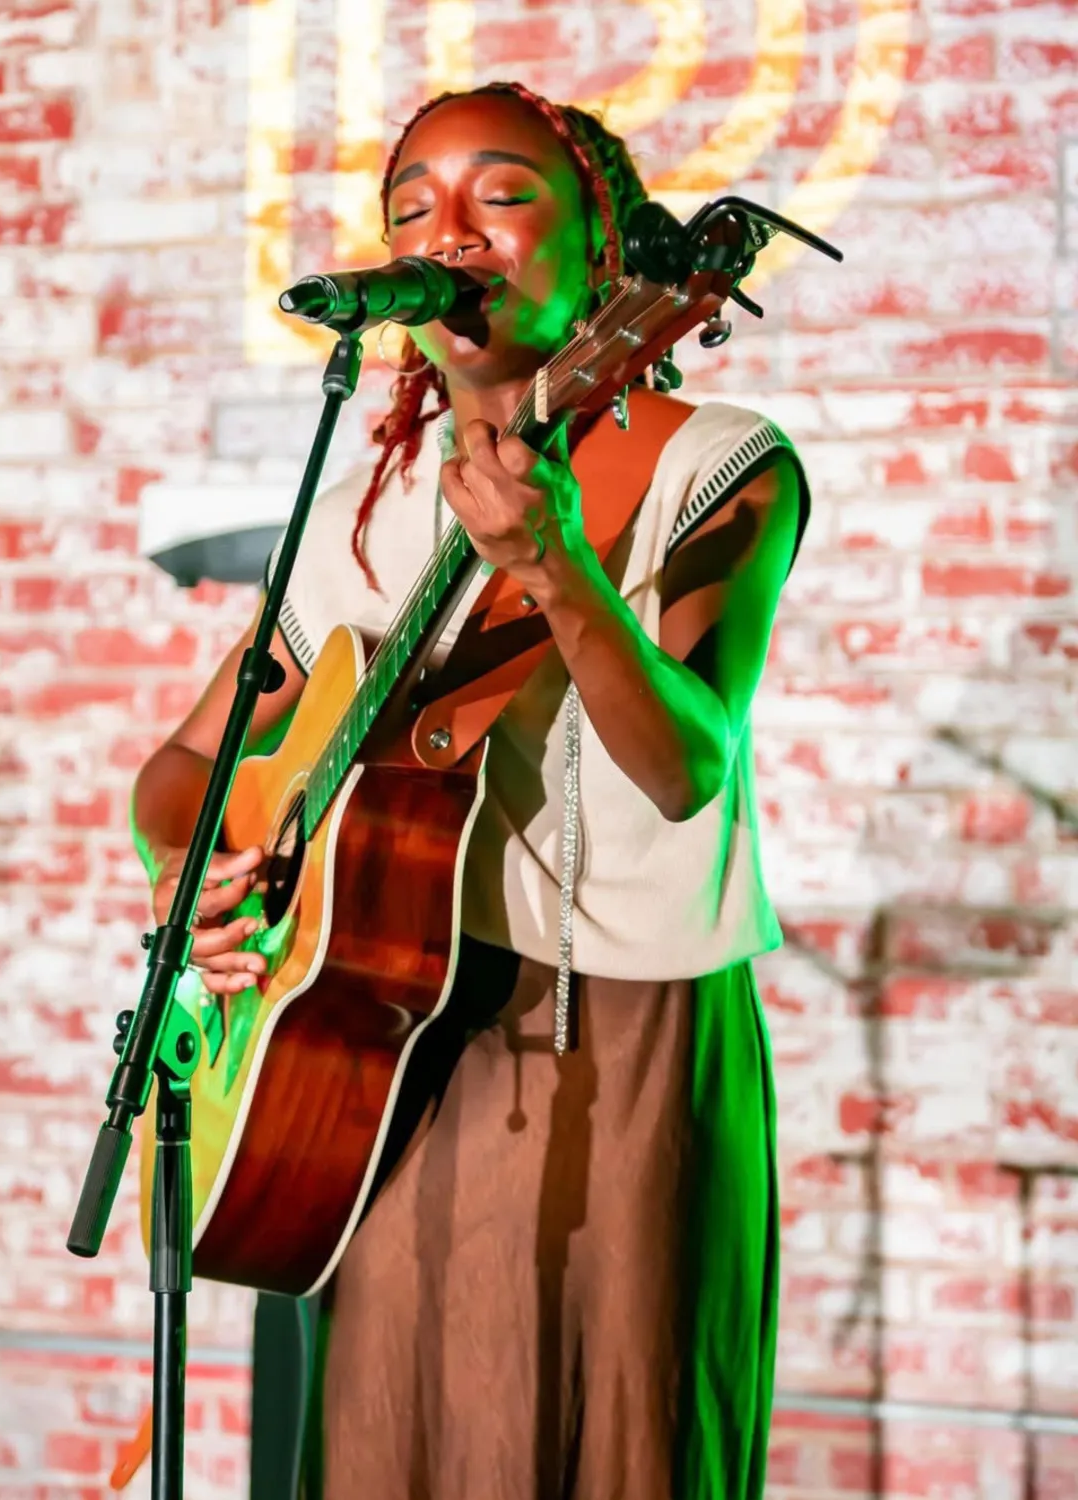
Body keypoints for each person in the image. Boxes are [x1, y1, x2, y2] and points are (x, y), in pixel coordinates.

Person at [131, 80, 809, 1500]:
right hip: (372, 1049)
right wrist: (200, 877)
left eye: (500, 195)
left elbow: (687, 765)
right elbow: (185, 766)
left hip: (616, 1036)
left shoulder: (716, 461)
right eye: (411, 209)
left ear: (601, 243)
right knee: (390, 1442)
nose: (450, 232)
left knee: (615, 1437)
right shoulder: (358, 512)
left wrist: (556, 566)